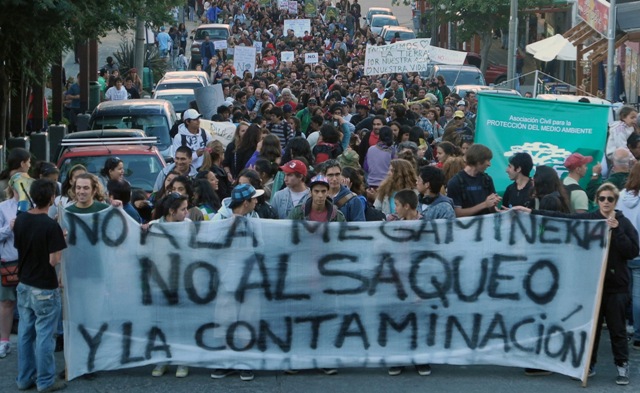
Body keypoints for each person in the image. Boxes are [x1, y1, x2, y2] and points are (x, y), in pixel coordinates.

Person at [515, 183, 638, 385]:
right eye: (602, 198)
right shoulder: (591, 219)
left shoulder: (623, 223)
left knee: (617, 329)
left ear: (616, 201)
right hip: (592, 285)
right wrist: (531, 212)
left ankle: (622, 366)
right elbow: (566, 219)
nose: (606, 202)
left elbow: (632, 251)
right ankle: (589, 365)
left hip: (616, 286)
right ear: (596, 199)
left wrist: (617, 231)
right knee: (592, 328)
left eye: (610, 199)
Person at [13, 179, 67, 392]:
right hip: (44, 286)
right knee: (45, 335)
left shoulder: (21, 220)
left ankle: (24, 379)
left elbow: (23, 244)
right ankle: (45, 381)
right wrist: (61, 239)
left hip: (24, 284)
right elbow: (54, 260)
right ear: (52, 198)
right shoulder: (51, 226)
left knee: (26, 334)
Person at [617, 162, 640, 351]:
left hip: (623, 248)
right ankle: (638, 335)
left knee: (624, 291)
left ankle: (624, 326)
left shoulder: (621, 196)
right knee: (638, 295)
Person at [446, 144, 499, 217]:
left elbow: (492, 210)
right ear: (479, 161)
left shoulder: (487, 179)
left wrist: (493, 204)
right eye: (488, 160)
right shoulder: (455, 182)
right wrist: (485, 204)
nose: (489, 164)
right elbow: (457, 213)